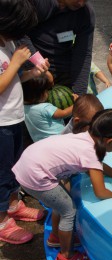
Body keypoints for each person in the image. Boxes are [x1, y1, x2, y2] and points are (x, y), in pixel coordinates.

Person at [12, 109, 112, 260]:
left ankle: (56, 236)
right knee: (69, 210)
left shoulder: (86, 137)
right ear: (110, 141)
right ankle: (66, 256)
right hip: (35, 177)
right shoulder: (91, 153)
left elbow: (98, 166)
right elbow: (100, 192)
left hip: (28, 164)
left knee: (60, 202)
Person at [0, 0, 50, 245]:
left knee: (12, 168)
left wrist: (31, 73)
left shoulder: (7, 42)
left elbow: (11, 78)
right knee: (1, 173)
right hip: (1, 124)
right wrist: (19, 62)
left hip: (12, 118)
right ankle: (2, 222)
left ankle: (12, 205)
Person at [23, 0, 95, 95]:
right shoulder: (39, 4)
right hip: (32, 72)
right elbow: (19, 34)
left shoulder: (86, 14)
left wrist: (79, 94)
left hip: (63, 72)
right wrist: (40, 67)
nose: (81, 4)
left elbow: (83, 54)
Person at [22, 76, 79, 142]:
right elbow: (64, 113)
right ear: (40, 94)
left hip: (39, 141)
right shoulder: (45, 107)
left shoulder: (24, 108)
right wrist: (76, 104)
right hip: (58, 139)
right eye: (46, 90)